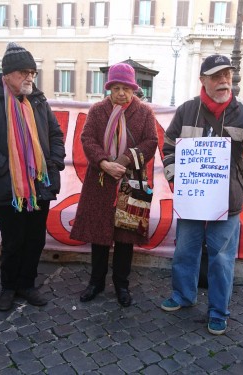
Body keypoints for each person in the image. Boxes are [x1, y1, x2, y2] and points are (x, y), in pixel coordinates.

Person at [160, 54, 243, 335]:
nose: (224, 80)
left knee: (222, 258)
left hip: (228, 199)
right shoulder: (187, 110)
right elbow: (167, 146)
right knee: (184, 250)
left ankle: (218, 311)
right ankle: (182, 295)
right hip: (192, 198)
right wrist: (177, 177)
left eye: (227, 75)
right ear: (202, 81)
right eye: (216, 76)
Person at [0, 42, 65, 312]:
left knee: (35, 239)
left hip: (40, 185)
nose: (29, 77)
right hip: (9, 185)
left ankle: (27, 285)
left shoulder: (38, 99)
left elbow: (55, 134)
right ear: (6, 75)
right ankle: (8, 287)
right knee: (13, 240)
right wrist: (6, 167)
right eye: (23, 72)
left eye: (32, 71)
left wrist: (52, 162)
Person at [70, 63, 158, 307]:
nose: (121, 93)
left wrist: (124, 160)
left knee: (125, 236)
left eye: (126, 88)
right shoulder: (98, 111)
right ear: (109, 89)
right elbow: (87, 139)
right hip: (101, 180)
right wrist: (104, 163)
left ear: (133, 89)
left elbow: (150, 141)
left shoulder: (144, 113)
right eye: (116, 88)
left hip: (131, 181)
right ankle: (96, 282)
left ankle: (122, 284)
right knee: (99, 236)